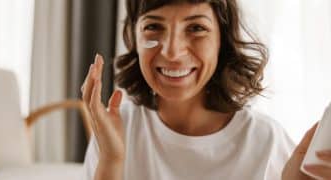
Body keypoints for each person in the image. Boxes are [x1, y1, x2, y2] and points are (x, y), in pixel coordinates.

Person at [81, 0, 331, 179]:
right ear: (133, 38)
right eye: (153, 27)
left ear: (222, 40)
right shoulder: (115, 129)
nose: (172, 52)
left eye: (196, 28)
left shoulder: (265, 141)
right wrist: (111, 161)